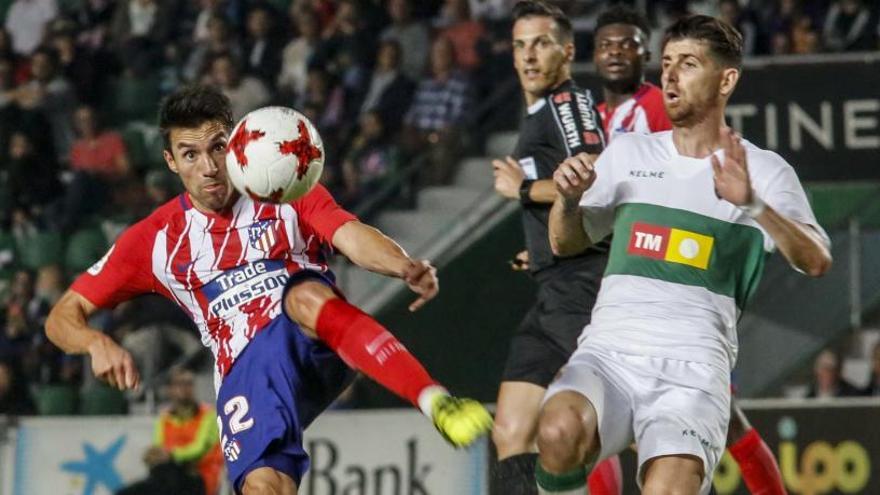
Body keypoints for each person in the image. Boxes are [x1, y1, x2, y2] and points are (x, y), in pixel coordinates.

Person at [45, 84, 492, 495]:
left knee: (300, 296)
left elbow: (350, 234)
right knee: (264, 488)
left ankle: (436, 401)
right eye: (189, 154)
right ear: (170, 162)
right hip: (246, 371)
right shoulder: (155, 238)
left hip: (317, 337)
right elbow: (62, 315)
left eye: (217, 147)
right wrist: (95, 342)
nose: (208, 167)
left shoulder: (282, 183)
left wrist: (401, 264)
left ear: (236, 142)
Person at [538, 15, 831, 495]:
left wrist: (753, 204)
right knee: (556, 430)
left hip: (692, 373)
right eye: (666, 64)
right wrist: (567, 201)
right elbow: (564, 243)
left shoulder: (763, 170)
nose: (669, 77)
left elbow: (816, 261)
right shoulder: (628, 152)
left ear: (726, 79)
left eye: (688, 64)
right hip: (610, 353)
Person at [594, 7, 788, 495]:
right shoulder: (596, 115)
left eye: (627, 43)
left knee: (714, 426)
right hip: (623, 282)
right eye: (606, 44)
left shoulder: (662, 110)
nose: (615, 52)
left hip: (680, 301)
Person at [488, 3, 605, 494]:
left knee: (631, 427)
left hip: (583, 289)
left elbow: (597, 182)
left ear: (568, 50)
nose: (528, 56)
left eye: (540, 43)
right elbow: (562, 193)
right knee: (511, 431)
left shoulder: (568, 104)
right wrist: (536, 249)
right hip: (550, 285)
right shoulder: (539, 111)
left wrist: (520, 191)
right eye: (520, 45)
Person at [149, 368, 223, 495]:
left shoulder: (208, 415)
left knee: (167, 483)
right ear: (169, 389)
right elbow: (158, 450)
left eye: (188, 383)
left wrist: (171, 455)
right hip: (170, 474)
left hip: (201, 475)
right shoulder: (164, 419)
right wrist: (153, 455)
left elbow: (199, 448)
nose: (184, 388)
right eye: (179, 384)